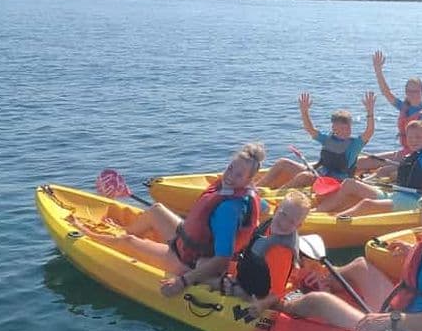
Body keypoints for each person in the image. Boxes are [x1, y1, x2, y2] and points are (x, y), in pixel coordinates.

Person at [282, 183, 422, 331]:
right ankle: (325, 282)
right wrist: (412, 251)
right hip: (405, 311)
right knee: (360, 265)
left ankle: (279, 305)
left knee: (317, 301)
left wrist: (390, 320)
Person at [73, 143, 266, 297]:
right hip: (190, 245)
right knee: (156, 210)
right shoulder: (241, 193)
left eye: (239, 174)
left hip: (189, 262)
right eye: (230, 168)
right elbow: (263, 209)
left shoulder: (229, 209)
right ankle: (123, 231)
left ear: (249, 180)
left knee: (128, 242)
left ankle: (93, 236)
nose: (230, 175)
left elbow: (222, 259)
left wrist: (183, 281)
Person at [204, 191, 311, 316]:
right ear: (276, 210)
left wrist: (262, 305)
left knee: (205, 277)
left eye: (292, 222)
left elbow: (276, 293)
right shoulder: (267, 226)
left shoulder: (282, 252)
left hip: (253, 293)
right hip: (243, 276)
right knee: (204, 262)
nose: (284, 223)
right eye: (283, 215)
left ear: (299, 226)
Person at [314, 119, 422, 216]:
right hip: (396, 196)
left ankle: (337, 220)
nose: (414, 140)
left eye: (418, 137)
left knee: (367, 204)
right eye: (411, 137)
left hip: (414, 202)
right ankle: (317, 212)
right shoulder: (409, 157)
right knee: (349, 183)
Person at [257, 92, 375, 189]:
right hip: (320, 174)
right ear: (334, 128)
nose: (347, 131)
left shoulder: (354, 144)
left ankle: (278, 194)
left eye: (348, 127)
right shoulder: (327, 139)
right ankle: (256, 188)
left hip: (336, 182)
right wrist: (304, 112)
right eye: (343, 128)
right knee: (283, 162)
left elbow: (369, 132)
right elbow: (310, 129)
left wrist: (370, 112)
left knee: (305, 176)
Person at [355, 51, 422, 172]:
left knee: (383, 170)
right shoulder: (404, 107)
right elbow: (386, 92)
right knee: (360, 163)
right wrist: (378, 70)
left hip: (417, 157)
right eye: (409, 91)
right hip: (404, 152)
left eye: (416, 91)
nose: (412, 94)